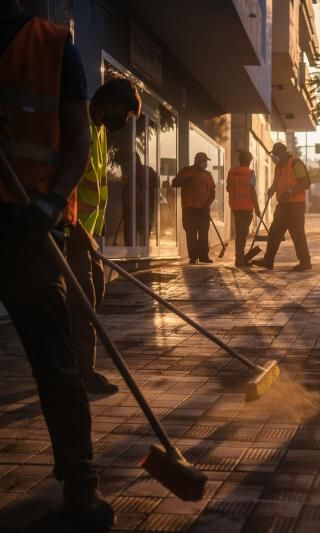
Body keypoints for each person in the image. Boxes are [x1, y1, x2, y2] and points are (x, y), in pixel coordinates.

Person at [0, 1, 115, 529]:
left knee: (53, 360)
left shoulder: (52, 46)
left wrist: (53, 205)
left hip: (28, 226)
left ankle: (81, 490)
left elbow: (75, 142)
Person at [68, 78, 141, 395]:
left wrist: (95, 233)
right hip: (70, 233)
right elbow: (65, 184)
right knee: (82, 303)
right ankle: (83, 372)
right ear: (109, 102)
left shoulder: (98, 131)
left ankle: (71, 364)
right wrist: (76, 229)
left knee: (93, 293)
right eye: (124, 113)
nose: (123, 121)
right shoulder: (78, 125)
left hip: (88, 235)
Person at [253, 142, 311, 271]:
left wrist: (290, 192)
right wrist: (272, 189)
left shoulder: (296, 163)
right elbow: (276, 182)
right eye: (273, 154)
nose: (274, 156)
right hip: (283, 205)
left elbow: (305, 182)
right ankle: (268, 260)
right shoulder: (278, 167)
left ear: (284, 153)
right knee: (274, 232)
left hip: (296, 206)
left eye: (276, 154)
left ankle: (305, 262)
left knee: (297, 234)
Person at [172, 152, 215, 264]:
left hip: (203, 210)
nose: (205, 163)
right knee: (191, 234)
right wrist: (185, 181)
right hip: (189, 209)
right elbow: (174, 183)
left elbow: (212, 192)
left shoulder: (208, 175)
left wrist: (208, 204)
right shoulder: (186, 171)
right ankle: (193, 257)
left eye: (206, 161)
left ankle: (203, 256)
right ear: (197, 160)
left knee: (203, 234)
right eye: (204, 161)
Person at [226, 150, 260, 267]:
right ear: (249, 160)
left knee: (239, 233)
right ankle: (240, 259)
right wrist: (257, 208)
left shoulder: (232, 171)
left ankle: (239, 257)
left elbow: (228, 188)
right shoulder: (250, 173)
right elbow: (252, 192)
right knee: (242, 234)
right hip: (246, 207)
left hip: (235, 207)